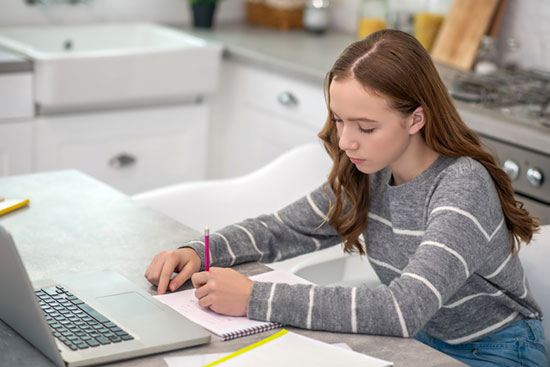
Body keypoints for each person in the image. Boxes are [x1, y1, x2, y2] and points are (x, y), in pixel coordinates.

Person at [145, 29, 548, 366]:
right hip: (422, 344)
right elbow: (282, 229)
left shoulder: (462, 184)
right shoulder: (371, 172)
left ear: (416, 118)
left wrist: (254, 297)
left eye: (366, 127)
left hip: (496, 352)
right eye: (339, 120)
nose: (345, 140)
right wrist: (200, 250)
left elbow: (401, 309)